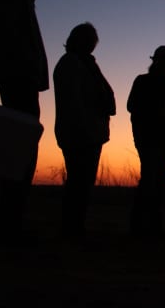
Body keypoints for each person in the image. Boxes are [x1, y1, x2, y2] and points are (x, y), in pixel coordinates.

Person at [0, 0, 68, 242]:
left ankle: (11, 221)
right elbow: (11, 41)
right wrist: (24, 72)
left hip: (22, 80)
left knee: (23, 147)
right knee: (20, 148)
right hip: (18, 81)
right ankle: (8, 225)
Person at [52, 22, 116, 240]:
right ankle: (71, 229)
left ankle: (75, 226)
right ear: (76, 40)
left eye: (92, 41)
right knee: (78, 182)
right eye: (87, 40)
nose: (91, 45)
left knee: (83, 182)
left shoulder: (86, 64)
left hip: (90, 132)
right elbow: (74, 101)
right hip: (79, 132)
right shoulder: (70, 63)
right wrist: (85, 128)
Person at [127, 45, 165, 238]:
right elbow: (133, 107)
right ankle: (139, 226)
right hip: (150, 137)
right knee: (149, 179)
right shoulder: (143, 81)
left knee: (159, 180)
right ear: (156, 60)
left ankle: (152, 226)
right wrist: (161, 118)